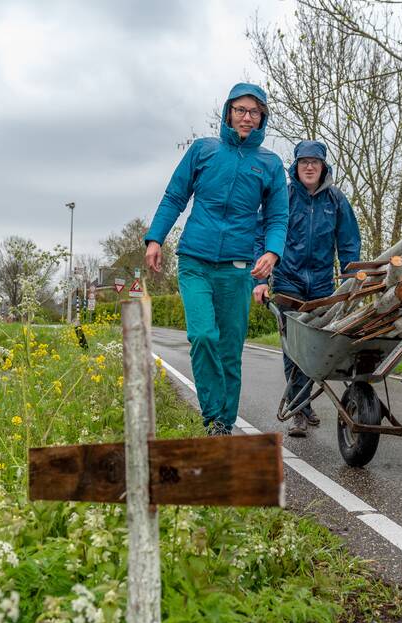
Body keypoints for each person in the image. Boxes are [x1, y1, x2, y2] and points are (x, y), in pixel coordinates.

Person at [145, 83, 289, 435]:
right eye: (240, 110)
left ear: (262, 118)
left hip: (237, 269)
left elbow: (277, 217)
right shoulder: (203, 150)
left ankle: (224, 422)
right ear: (228, 113)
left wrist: (272, 252)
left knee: (229, 349)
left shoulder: (270, 165)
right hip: (195, 260)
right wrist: (155, 238)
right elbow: (175, 196)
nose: (246, 117)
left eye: (254, 112)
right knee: (203, 335)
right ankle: (212, 416)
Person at [253, 140, 360, 437]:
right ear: (296, 166)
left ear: (324, 167)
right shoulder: (283, 198)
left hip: (323, 286)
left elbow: (349, 244)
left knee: (315, 348)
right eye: (304, 162)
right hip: (288, 282)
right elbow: (261, 238)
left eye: (315, 162)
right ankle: (299, 411)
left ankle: (303, 403)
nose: (309, 167)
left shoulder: (336, 201)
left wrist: (352, 282)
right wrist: (260, 281)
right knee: (295, 349)